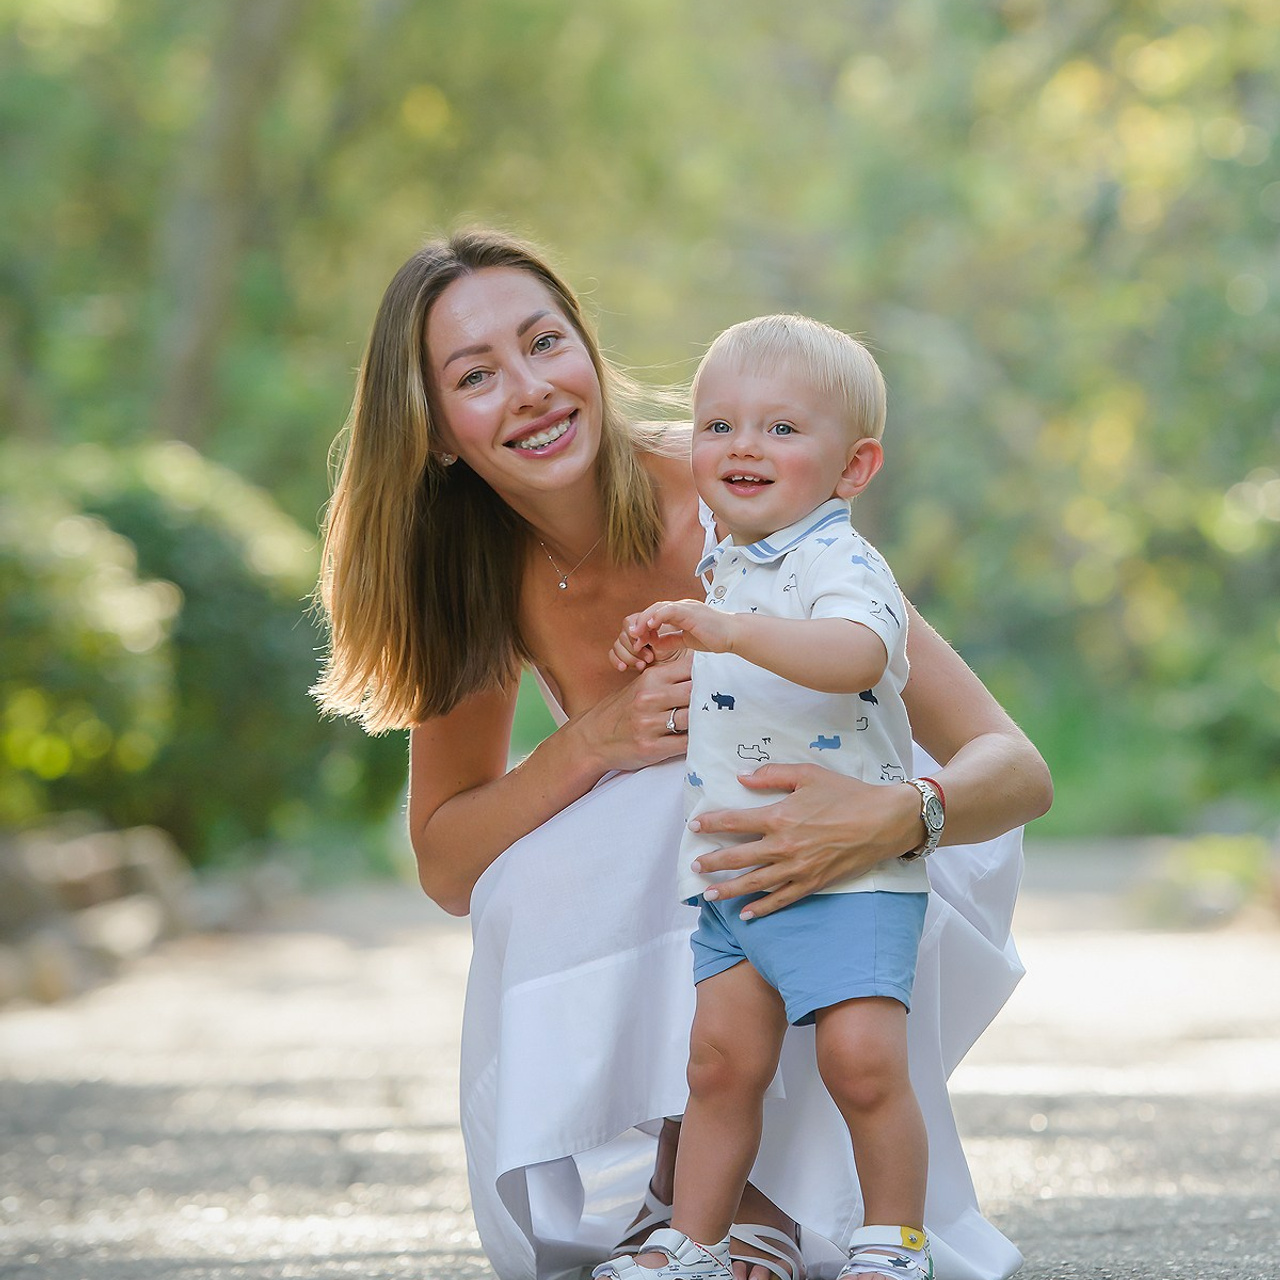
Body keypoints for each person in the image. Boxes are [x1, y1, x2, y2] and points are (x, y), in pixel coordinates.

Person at [313, 228, 1052, 1280]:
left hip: (885, 836)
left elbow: (1013, 766)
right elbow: (448, 865)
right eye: (475, 375)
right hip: (721, 876)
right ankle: (699, 1175)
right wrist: (591, 741)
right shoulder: (472, 571)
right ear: (432, 431)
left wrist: (891, 815)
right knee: (586, 842)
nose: (529, 388)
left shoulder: (735, 481)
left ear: (588, 350)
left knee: (697, 792)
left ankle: (772, 1195)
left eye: (544, 342)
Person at [601, 314, 939, 1280]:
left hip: (848, 869)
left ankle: (896, 1240)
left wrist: (728, 632)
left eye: (783, 428)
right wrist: (668, 643)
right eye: (719, 425)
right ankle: (695, 1243)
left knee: (862, 1063)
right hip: (736, 874)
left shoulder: (841, 561)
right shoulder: (730, 563)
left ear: (853, 467)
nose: (744, 445)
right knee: (717, 1068)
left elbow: (857, 654)